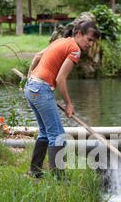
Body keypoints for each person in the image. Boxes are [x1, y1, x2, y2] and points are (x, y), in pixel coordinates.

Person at [24, 20, 101, 182]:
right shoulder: (74, 49)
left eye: (93, 42)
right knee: (57, 135)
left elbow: (37, 56)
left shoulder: (61, 41)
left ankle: (34, 171)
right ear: (78, 34)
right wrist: (69, 104)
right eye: (89, 39)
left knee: (45, 132)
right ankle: (59, 180)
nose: (90, 44)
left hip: (31, 88)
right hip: (41, 90)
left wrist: (30, 74)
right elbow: (60, 79)